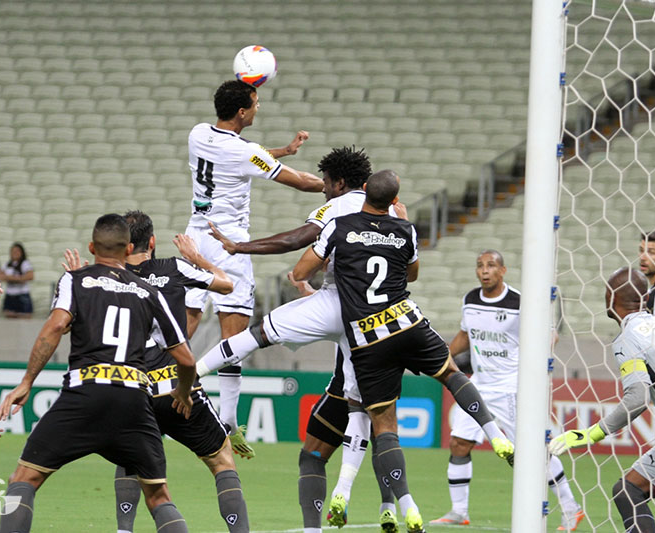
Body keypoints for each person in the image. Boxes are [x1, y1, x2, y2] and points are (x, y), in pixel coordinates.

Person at [292, 170, 515, 533]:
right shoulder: (405, 229)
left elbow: (301, 271)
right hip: (407, 321)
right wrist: (402, 223)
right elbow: (412, 275)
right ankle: (494, 433)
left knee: (376, 426)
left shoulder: (341, 226)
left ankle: (377, 499)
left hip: (366, 341)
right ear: (394, 201)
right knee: (451, 374)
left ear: (364, 191)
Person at [198, 146, 399, 531]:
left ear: (340, 182)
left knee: (257, 334)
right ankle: (361, 494)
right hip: (375, 319)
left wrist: (241, 246)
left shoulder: (339, 207)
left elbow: (300, 239)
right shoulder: (395, 213)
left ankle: (192, 376)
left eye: (326, 182)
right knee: (362, 408)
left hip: (335, 303)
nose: (323, 189)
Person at [0, 214, 196, 533]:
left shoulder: (75, 280)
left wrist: (27, 382)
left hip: (84, 395)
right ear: (128, 248)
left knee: (24, 479)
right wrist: (183, 392)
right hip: (133, 401)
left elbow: (56, 326)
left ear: (91, 247)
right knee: (159, 496)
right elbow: (186, 359)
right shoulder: (149, 293)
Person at [64, 209, 249, 533]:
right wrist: (197, 258)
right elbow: (226, 285)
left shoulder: (99, 279)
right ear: (151, 241)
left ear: (121, 245)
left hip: (131, 387)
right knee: (221, 460)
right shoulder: (174, 267)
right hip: (175, 385)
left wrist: (82, 277)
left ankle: (124, 530)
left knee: (130, 456)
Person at [184, 79, 323, 457]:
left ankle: (159, 388)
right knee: (235, 332)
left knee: (186, 320)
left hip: (195, 237)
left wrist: (283, 151)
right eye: (256, 103)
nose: (258, 107)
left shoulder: (198, 134)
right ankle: (227, 423)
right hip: (228, 243)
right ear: (242, 111)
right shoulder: (245, 153)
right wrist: (339, 186)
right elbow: (301, 183)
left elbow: (246, 154)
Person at [429, 250, 584, 530]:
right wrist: (443, 358)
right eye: (480, 266)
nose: (484, 270)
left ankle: (571, 508)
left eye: (491, 265)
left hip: (511, 387)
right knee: (459, 443)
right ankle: (458, 511)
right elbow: (466, 334)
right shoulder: (470, 300)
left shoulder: (519, 302)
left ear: (503, 271)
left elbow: (548, 334)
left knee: (532, 451)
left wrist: (543, 351)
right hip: (478, 384)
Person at [550, 267, 655, 533]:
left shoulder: (628, 338)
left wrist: (591, 434)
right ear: (645, 299)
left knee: (628, 490)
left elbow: (638, 398)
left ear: (610, 300)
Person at [0, 242, 34, 318]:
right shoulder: (7, 264)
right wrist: (19, 279)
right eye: (13, 251)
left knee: (25, 319)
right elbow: (0, 276)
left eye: (17, 251)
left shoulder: (25, 263)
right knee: (9, 320)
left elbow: (30, 276)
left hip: (22, 295)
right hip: (10, 295)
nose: (15, 253)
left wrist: (10, 278)